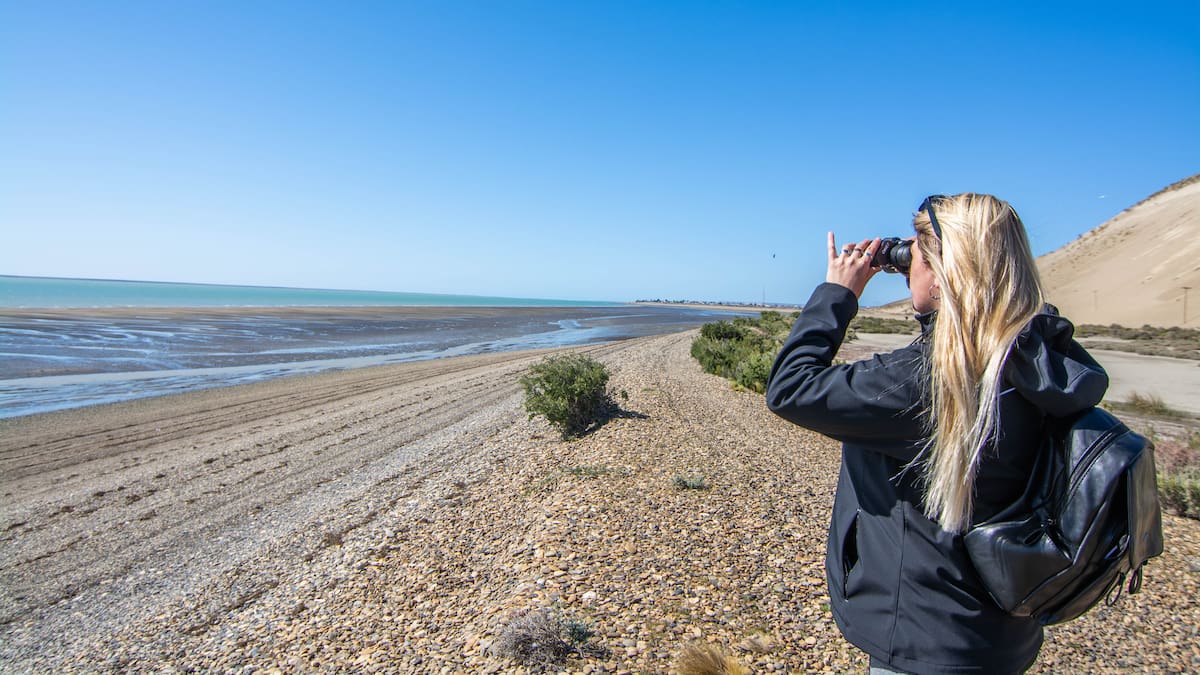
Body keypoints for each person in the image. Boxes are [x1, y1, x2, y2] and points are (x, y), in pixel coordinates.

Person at [765, 194, 1109, 674]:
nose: (907, 270)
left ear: (947, 271)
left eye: (915, 258)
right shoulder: (1038, 362)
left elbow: (790, 388)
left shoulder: (930, 383)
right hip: (1001, 634)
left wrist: (837, 293)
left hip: (925, 643)